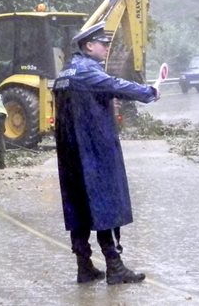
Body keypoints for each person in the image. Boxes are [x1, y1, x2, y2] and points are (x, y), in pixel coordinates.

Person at [52, 23, 159, 285]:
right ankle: (114, 266)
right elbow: (116, 85)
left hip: (69, 155)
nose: (107, 47)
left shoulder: (65, 73)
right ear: (89, 46)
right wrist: (151, 92)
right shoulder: (88, 72)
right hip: (94, 152)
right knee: (104, 205)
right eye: (103, 44)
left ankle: (84, 266)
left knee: (77, 207)